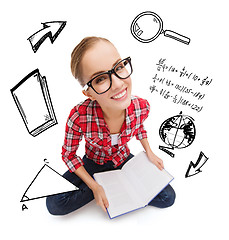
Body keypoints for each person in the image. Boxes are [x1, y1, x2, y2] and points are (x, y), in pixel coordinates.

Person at [46, 36, 175, 215]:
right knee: (55, 203)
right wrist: (95, 186)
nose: (118, 83)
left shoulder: (140, 106)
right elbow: (69, 155)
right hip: (93, 162)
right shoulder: (79, 116)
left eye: (119, 67)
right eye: (100, 79)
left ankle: (116, 189)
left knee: (167, 197)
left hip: (123, 160)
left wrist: (149, 152)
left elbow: (140, 128)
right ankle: (106, 189)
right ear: (88, 93)